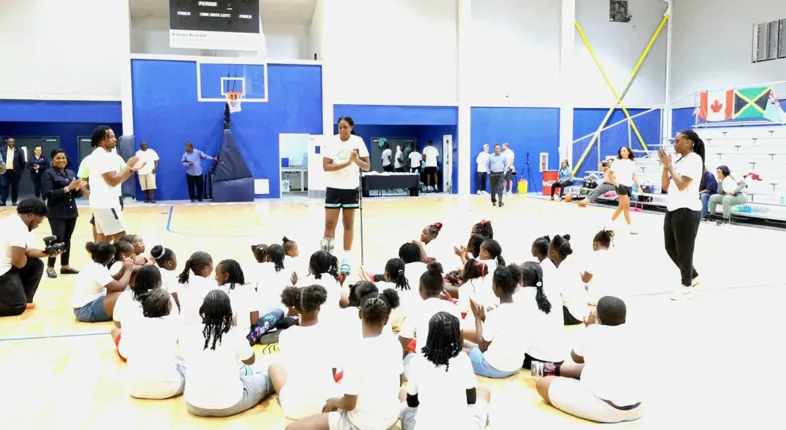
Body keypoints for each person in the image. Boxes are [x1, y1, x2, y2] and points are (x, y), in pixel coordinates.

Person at [287, 294, 403, 430]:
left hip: (361, 425)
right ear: (386, 319)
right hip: (390, 419)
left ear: (360, 314)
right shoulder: (394, 343)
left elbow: (349, 404)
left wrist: (334, 402)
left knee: (292, 428)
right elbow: (399, 382)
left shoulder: (356, 351)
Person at [534, 296, 643, 424]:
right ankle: (541, 368)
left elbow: (576, 358)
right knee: (589, 368)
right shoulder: (634, 331)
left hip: (608, 409)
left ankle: (540, 369)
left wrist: (587, 329)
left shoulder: (593, 331)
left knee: (542, 384)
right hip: (638, 407)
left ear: (598, 316)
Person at [184, 289, 273, 417]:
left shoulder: (191, 334)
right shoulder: (233, 333)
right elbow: (250, 360)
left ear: (203, 310)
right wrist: (235, 327)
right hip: (229, 404)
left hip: (194, 404)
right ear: (228, 312)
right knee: (268, 376)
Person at [399, 311, 491, 430]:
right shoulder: (463, 359)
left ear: (430, 335)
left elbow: (412, 402)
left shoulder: (417, 361)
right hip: (461, 426)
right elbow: (471, 400)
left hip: (422, 426)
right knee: (484, 391)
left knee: (402, 393)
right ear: (457, 336)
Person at [268, 285, 341, 420]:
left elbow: (288, 369)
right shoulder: (330, 332)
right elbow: (332, 373)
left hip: (294, 409)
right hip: (327, 407)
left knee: (274, 367)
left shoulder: (286, 335)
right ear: (319, 308)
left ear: (295, 309)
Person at [658, 130, 705, 301]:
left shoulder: (694, 159)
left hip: (687, 209)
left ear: (689, 143)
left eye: (678, 141)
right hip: (673, 208)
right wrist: (665, 167)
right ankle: (692, 275)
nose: (674, 144)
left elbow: (682, 185)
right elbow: (665, 185)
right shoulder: (679, 160)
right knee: (670, 247)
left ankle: (686, 287)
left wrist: (670, 167)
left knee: (684, 250)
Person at [321, 116, 370, 278]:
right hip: (334, 189)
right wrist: (348, 163)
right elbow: (326, 166)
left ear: (351, 127)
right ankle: (326, 259)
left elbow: (367, 166)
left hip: (350, 189)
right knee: (329, 224)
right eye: (339, 127)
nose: (342, 130)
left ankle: (346, 259)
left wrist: (356, 161)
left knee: (348, 224)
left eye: (345, 127)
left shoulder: (358, 141)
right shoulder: (332, 142)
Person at [117, 288, 185, 400]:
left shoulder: (135, 325)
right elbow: (184, 350)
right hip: (167, 389)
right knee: (186, 367)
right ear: (169, 307)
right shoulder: (173, 325)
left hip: (135, 389)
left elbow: (124, 353)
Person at [465, 265, 529, 379]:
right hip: (516, 366)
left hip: (494, 368)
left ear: (497, 287)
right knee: (466, 345)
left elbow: (482, 347)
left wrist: (477, 318)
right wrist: (484, 318)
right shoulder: (524, 309)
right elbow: (503, 329)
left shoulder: (496, 314)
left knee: (459, 353)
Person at [85, 126, 144, 242]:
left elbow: (118, 180)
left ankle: (98, 260)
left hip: (100, 203)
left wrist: (131, 169)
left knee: (103, 239)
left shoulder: (100, 155)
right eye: (111, 137)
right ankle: (120, 260)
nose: (115, 139)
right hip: (107, 204)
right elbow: (113, 181)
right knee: (121, 238)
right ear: (102, 140)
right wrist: (128, 166)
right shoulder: (102, 156)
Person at [0, 199, 52, 316]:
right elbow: (18, 262)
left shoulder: (12, 220)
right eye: (39, 221)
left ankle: (24, 299)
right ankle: (19, 301)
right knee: (17, 306)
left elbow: (26, 251)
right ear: (30, 215)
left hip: (3, 267)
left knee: (35, 265)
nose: (38, 224)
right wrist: (22, 257)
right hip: (2, 272)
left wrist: (46, 253)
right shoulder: (19, 229)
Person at [42, 149, 88, 278]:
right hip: (56, 212)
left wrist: (77, 188)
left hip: (71, 211)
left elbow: (76, 195)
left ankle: (65, 266)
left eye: (63, 158)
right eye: (58, 158)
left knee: (67, 239)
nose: (62, 160)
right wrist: (68, 188)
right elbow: (48, 194)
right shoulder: (48, 174)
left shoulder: (70, 172)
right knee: (57, 239)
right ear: (52, 160)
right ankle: (50, 267)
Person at [72, 242, 134, 322]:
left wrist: (123, 269)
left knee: (125, 289)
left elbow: (111, 280)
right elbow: (120, 286)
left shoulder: (96, 264)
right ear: (109, 256)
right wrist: (128, 269)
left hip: (94, 302)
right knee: (123, 296)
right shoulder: (97, 269)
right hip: (85, 310)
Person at [609, 147, 644, 234]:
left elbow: (633, 176)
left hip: (629, 186)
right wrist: (615, 183)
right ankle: (630, 227)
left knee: (621, 207)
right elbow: (609, 174)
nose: (622, 152)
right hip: (620, 186)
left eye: (624, 151)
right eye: (621, 151)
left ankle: (610, 223)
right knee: (626, 206)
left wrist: (639, 186)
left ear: (628, 152)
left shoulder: (632, 162)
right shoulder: (617, 161)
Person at [1, 137, 25, 206]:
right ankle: (3, 201)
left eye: (12, 142)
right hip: (4, 172)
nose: (11, 143)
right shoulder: (2, 150)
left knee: (15, 187)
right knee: (4, 186)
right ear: (7, 142)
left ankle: (14, 201)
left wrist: (20, 172)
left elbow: (23, 162)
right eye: (10, 142)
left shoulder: (19, 150)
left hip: (15, 173)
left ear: (14, 142)